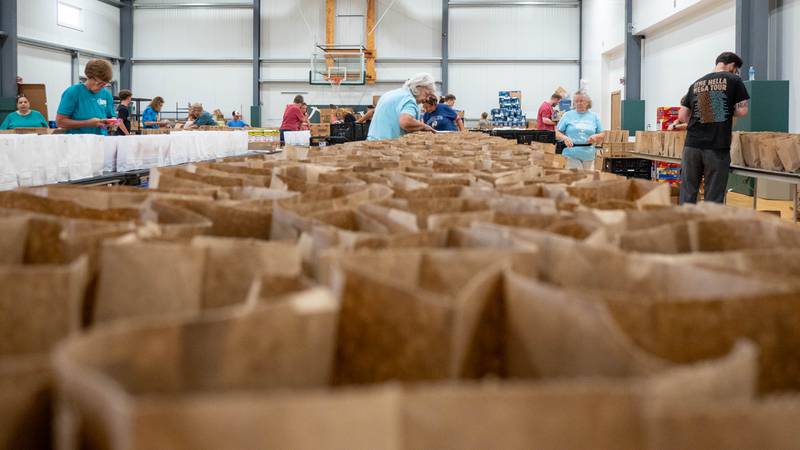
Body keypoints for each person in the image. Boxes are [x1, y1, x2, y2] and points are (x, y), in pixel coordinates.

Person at [679, 51, 750, 204]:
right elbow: (743, 111)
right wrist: (721, 111)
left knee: (688, 192)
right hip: (716, 146)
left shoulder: (696, 83)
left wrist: (703, 116)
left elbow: (682, 115)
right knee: (713, 196)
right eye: (736, 69)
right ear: (732, 66)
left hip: (691, 146)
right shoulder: (734, 80)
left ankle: (685, 220)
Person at [56, 59, 118, 135]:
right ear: (89, 76)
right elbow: (60, 122)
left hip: (100, 140)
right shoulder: (73, 92)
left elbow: (111, 116)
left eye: (104, 84)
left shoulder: (106, 94)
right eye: (99, 83)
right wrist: (87, 123)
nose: (101, 87)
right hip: (78, 140)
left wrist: (112, 122)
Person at [367, 73, 436, 141]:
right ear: (418, 87)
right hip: (386, 144)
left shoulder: (389, 94)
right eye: (426, 94)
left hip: (371, 142)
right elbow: (405, 122)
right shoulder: (409, 99)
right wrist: (424, 126)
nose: (426, 99)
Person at [555, 91, 605, 170]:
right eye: (576, 101)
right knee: (575, 177)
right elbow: (557, 132)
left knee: (587, 178)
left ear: (587, 102)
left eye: (581, 101)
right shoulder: (567, 115)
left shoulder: (594, 116)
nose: (579, 103)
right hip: (571, 154)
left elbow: (602, 134)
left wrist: (596, 137)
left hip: (589, 155)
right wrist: (565, 138)